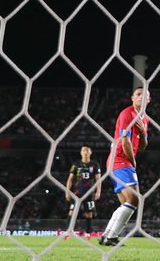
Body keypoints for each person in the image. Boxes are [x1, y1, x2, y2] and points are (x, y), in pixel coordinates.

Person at [99, 87, 149, 247]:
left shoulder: (144, 119)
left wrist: (142, 134)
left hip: (120, 161)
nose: (141, 97)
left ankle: (107, 236)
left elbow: (143, 146)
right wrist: (132, 162)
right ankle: (111, 236)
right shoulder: (127, 114)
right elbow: (125, 141)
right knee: (134, 198)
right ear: (132, 98)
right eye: (138, 94)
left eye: (145, 95)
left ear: (149, 100)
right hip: (120, 159)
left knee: (126, 203)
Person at [64, 145, 102, 231]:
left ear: (90, 152)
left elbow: (98, 179)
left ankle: (88, 233)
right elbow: (70, 179)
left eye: (87, 150)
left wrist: (98, 191)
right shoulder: (76, 164)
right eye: (84, 150)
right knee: (72, 211)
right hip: (77, 192)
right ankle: (68, 232)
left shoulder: (95, 164)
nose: (85, 152)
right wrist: (67, 191)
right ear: (81, 152)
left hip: (89, 192)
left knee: (89, 213)